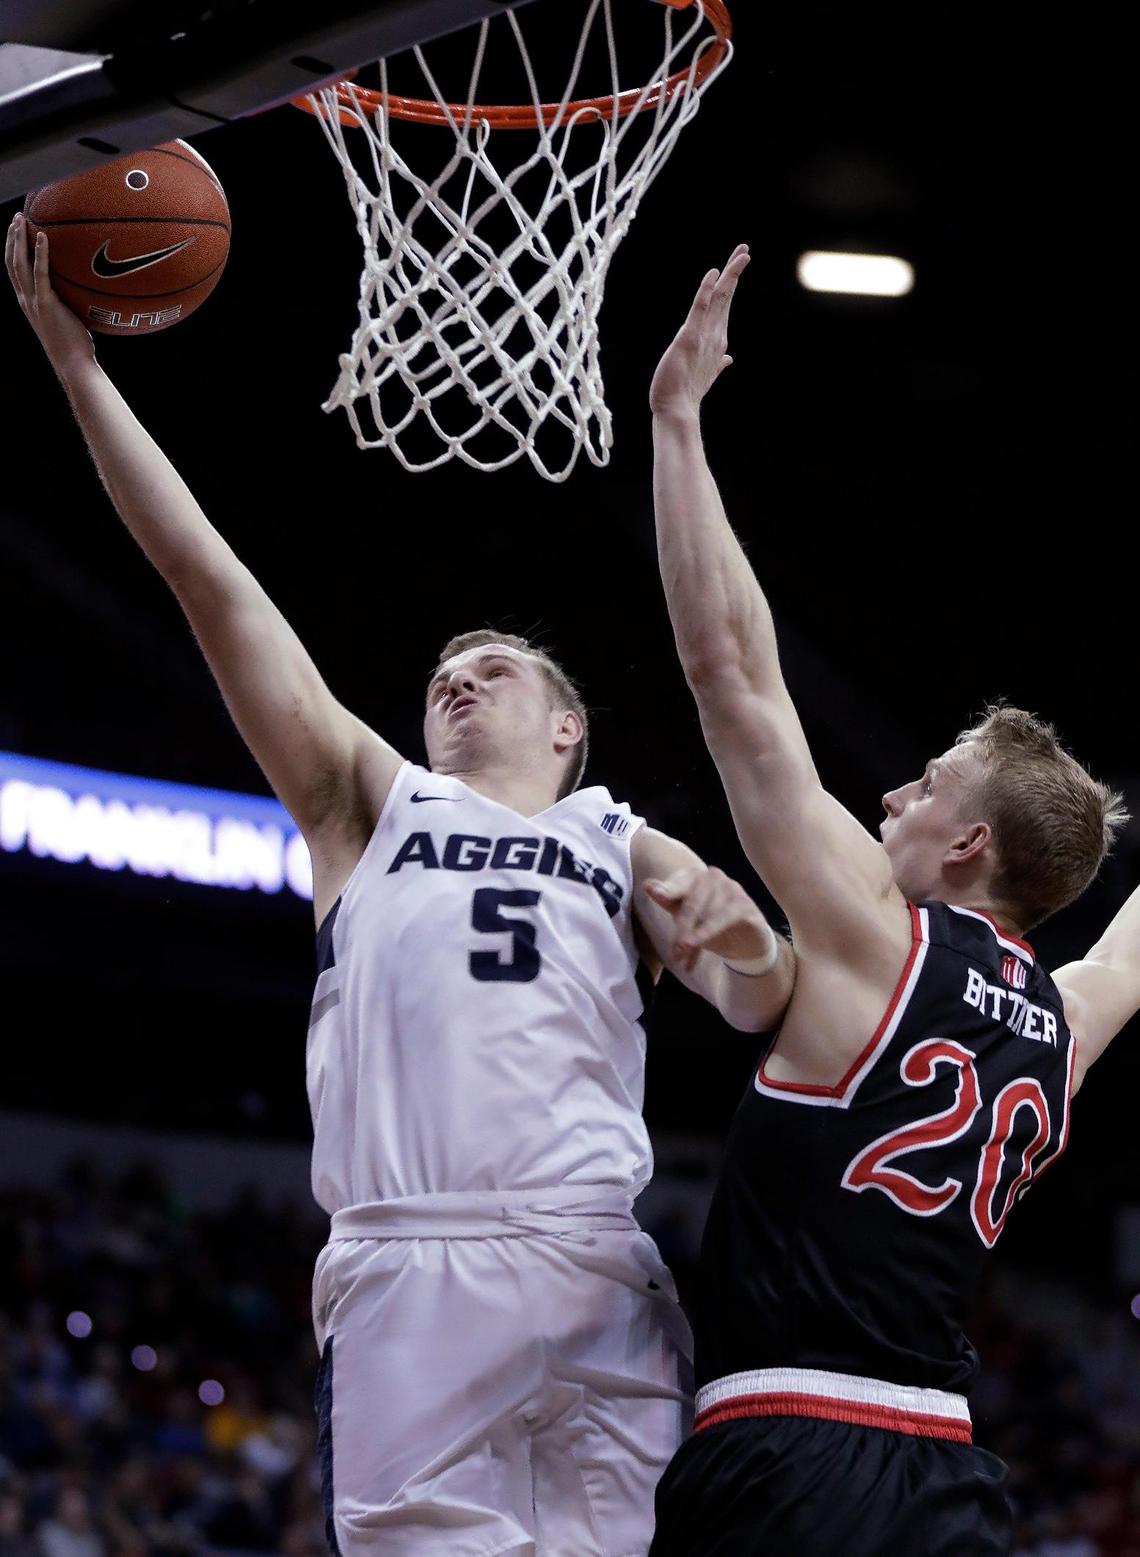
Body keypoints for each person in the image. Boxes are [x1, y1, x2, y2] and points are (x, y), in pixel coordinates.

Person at [6, 212, 796, 1557]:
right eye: (444, 670)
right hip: (407, 1262)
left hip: (588, 1253)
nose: (458, 676)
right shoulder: (368, 804)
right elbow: (213, 584)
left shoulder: (617, 833)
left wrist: (747, 939)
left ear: (568, 729)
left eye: (496, 667)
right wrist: (81, 370)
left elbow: (753, 996)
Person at [645, 244, 1138, 1555]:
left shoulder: (877, 937)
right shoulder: (1062, 1016)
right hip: (951, 1476)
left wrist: (677, 428)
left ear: (970, 839)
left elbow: (730, 675)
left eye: (921, 788)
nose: (888, 804)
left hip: (788, 1449)